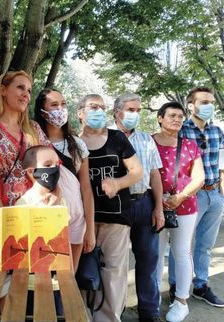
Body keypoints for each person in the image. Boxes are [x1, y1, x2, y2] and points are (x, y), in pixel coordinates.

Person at [0, 70, 50, 261]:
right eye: (20, 87)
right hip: (3, 216)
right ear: (3, 90)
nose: (26, 94)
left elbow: (51, 168)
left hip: (37, 215)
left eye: (29, 91)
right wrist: (6, 223)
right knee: (0, 284)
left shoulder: (34, 128)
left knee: (34, 282)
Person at [78, 94, 143, 322]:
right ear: (80, 113)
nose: (99, 111)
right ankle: (83, 316)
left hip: (116, 218)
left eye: (102, 107)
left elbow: (137, 171)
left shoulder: (117, 138)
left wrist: (117, 183)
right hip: (84, 220)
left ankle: (108, 318)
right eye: (93, 106)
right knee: (83, 270)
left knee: (113, 272)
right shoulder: (74, 142)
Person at [166, 87, 224, 308]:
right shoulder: (181, 130)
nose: (209, 105)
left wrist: (223, 189)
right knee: (182, 245)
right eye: (203, 102)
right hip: (192, 196)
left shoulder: (218, 131)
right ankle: (176, 286)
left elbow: (222, 163)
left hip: (215, 195)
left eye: (211, 101)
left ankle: (201, 285)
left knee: (206, 245)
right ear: (191, 105)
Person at [113, 92, 165, 322]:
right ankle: (115, 310)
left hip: (144, 202)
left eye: (138, 110)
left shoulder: (146, 139)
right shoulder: (104, 136)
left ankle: (149, 311)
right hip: (115, 206)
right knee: (114, 263)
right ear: (117, 112)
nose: (135, 114)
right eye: (130, 110)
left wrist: (158, 208)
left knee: (148, 259)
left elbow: (155, 174)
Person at [153, 101, 205, 322]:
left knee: (182, 253)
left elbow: (199, 177)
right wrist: (159, 201)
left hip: (184, 207)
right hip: (154, 206)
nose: (177, 119)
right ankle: (152, 298)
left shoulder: (190, 145)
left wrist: (181, 197)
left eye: (180, 116)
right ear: (160, 118)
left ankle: (181, 301)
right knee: (154, 253)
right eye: (172, 115)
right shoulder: (148, 142)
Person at [33, 88, 95, 270]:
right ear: (42, 111)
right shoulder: (34, 141)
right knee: (42, 278)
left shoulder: (77, 144)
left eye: (63, 104)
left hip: (76, 219)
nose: (60, 109)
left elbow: (86, 188)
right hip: (44, 219)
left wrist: (90, 229)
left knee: (68, 280)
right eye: (54, 105)